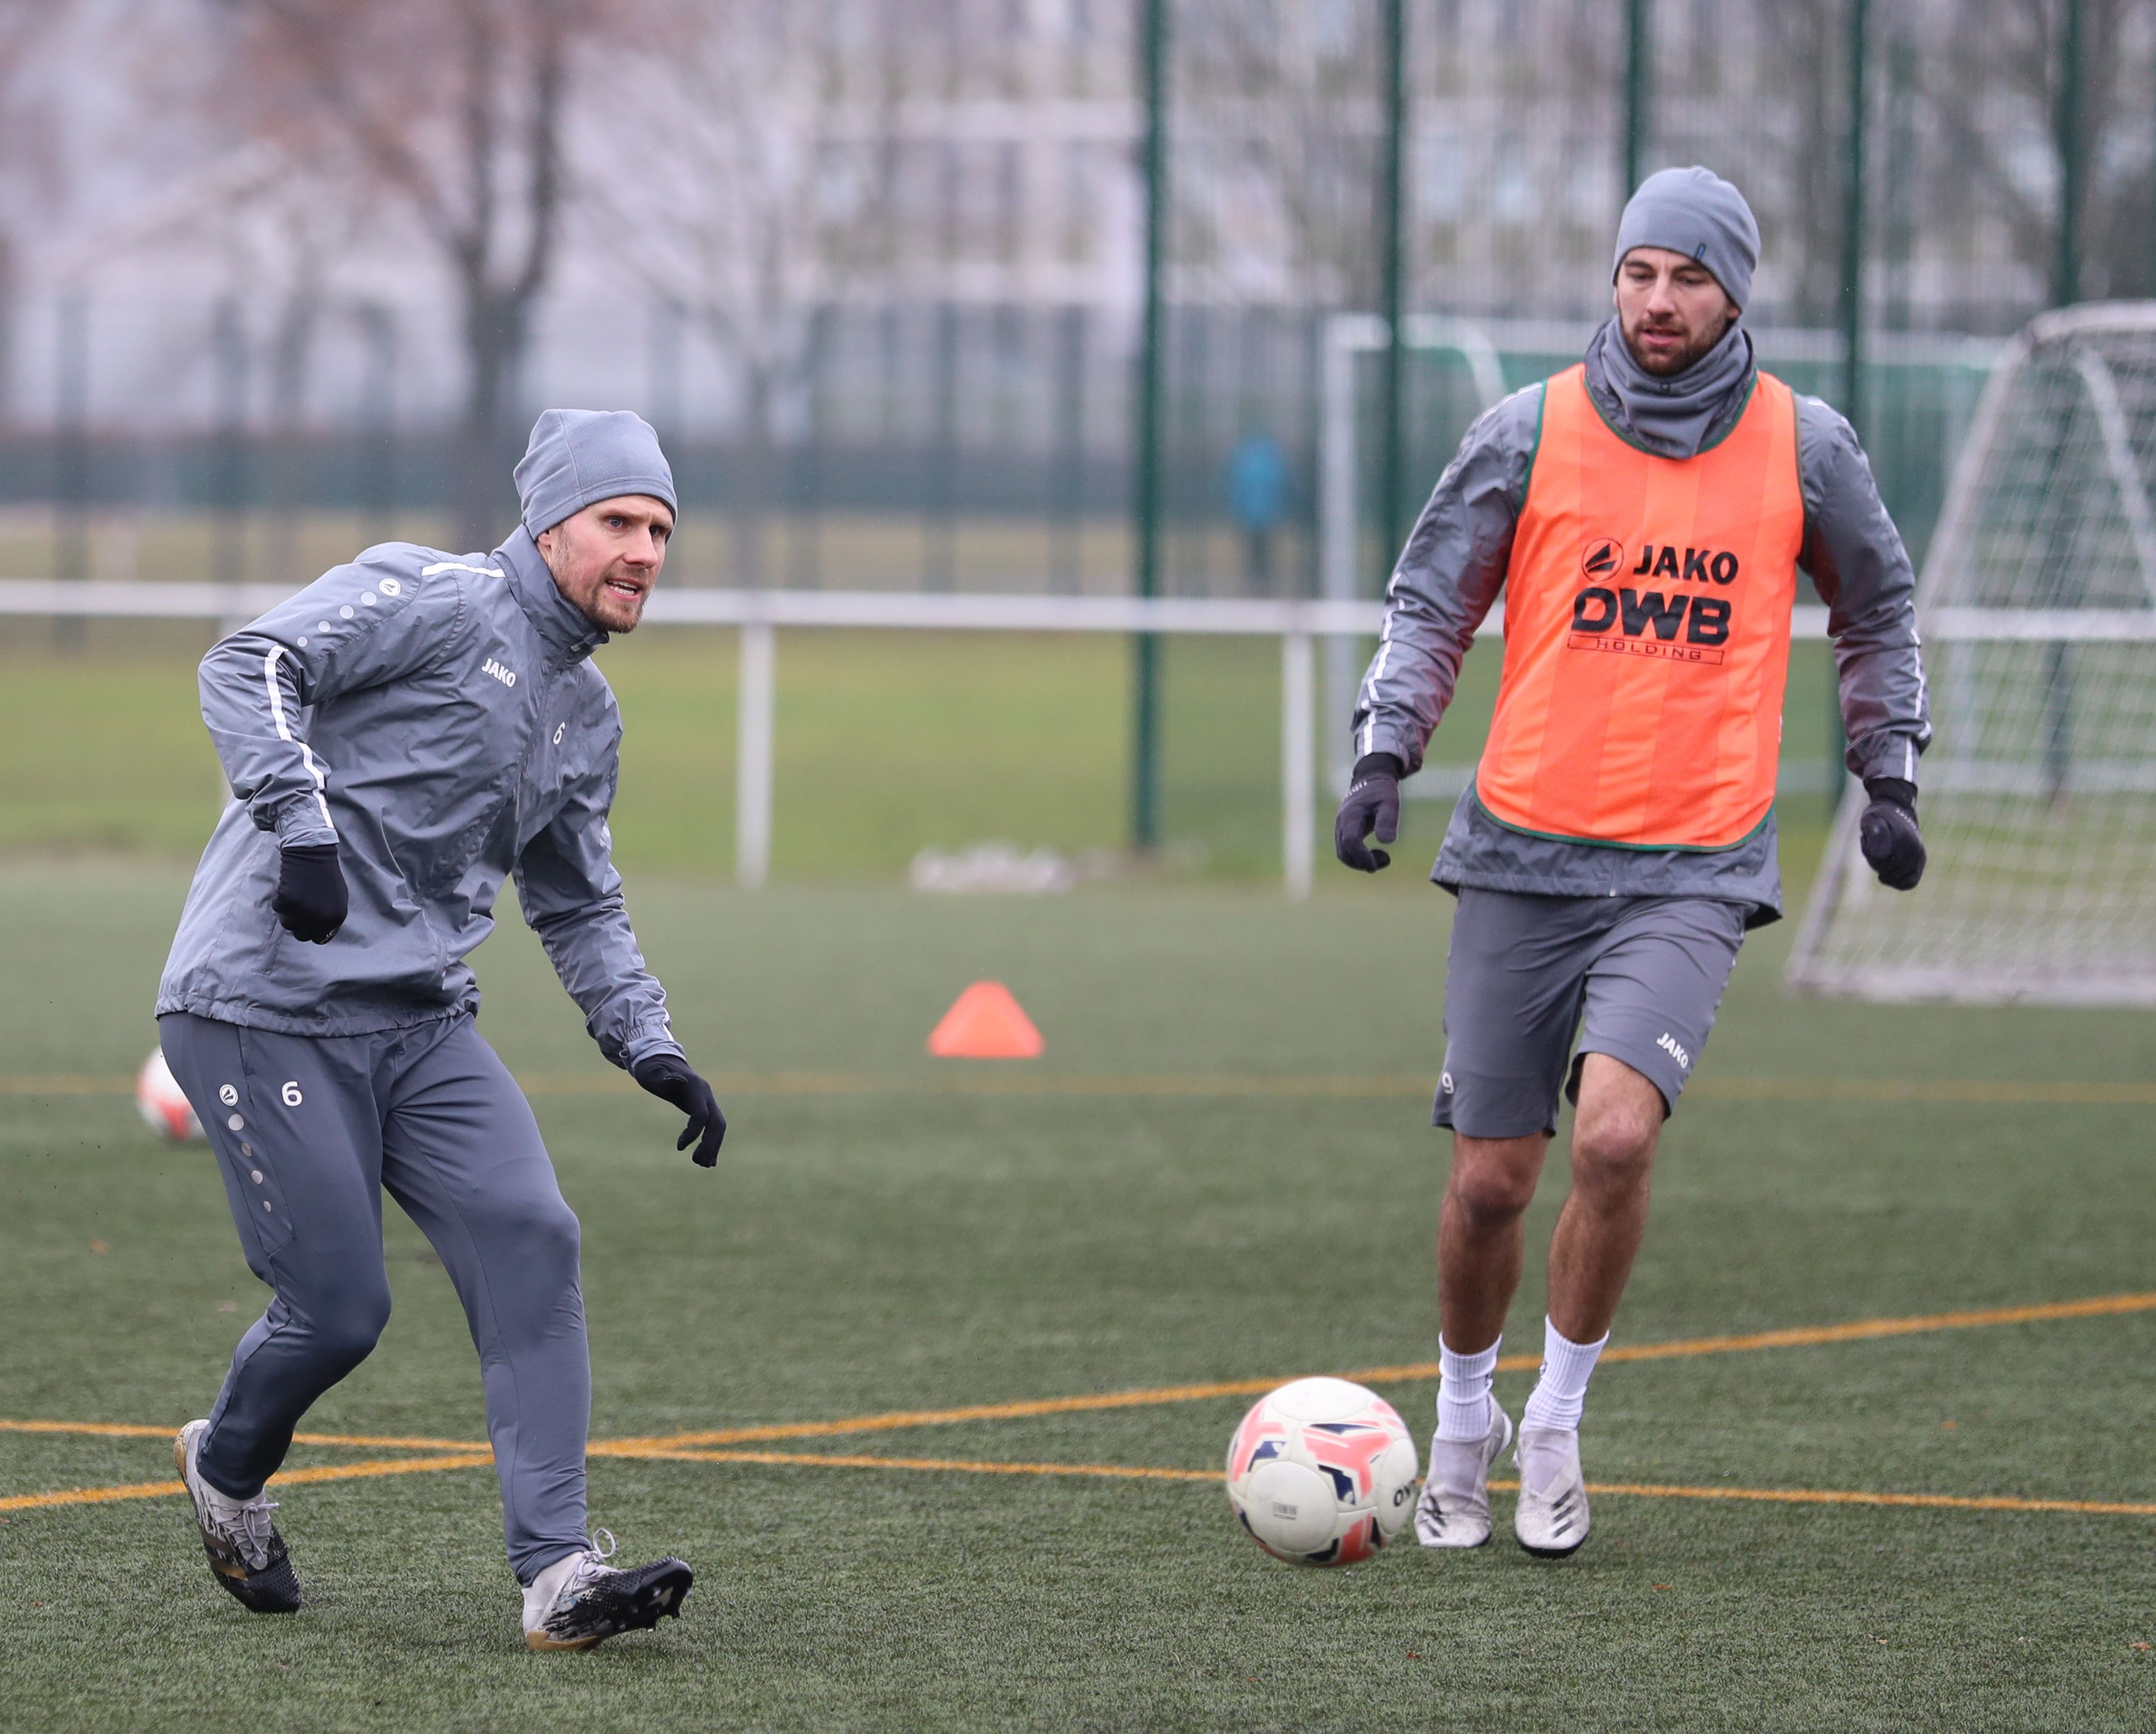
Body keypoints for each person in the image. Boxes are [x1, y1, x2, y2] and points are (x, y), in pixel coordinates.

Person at [1333, 168, 1930, 1558]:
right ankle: (1466, 1422)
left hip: (1691, 866)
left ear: (1736, 296)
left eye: (1690, 279)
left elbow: (1879, 608)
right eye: (1639, 274)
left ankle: (1555, 1429)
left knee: (1611, 1135)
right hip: (1519, 854)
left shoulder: (1806, 446)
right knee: (1491, 1180)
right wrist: (1382, 755)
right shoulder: (1525, 429)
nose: (1659, 303)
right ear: (1614, 280)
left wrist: (1886, 773)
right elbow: (1432, 601)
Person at [155, 409, 728, 1649]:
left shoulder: (589, 714)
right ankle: (228, 1470)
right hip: (264, 1007)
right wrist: (300, 828)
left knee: (533, 1234)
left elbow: (578, 902)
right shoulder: (432, 594)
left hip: (418, 1025)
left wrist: (651, 1044)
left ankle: (561, 1574)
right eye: (617, 522)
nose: (642, 551)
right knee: (342, 1309)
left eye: (660, 530)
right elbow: (248, 663)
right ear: (547, 521)